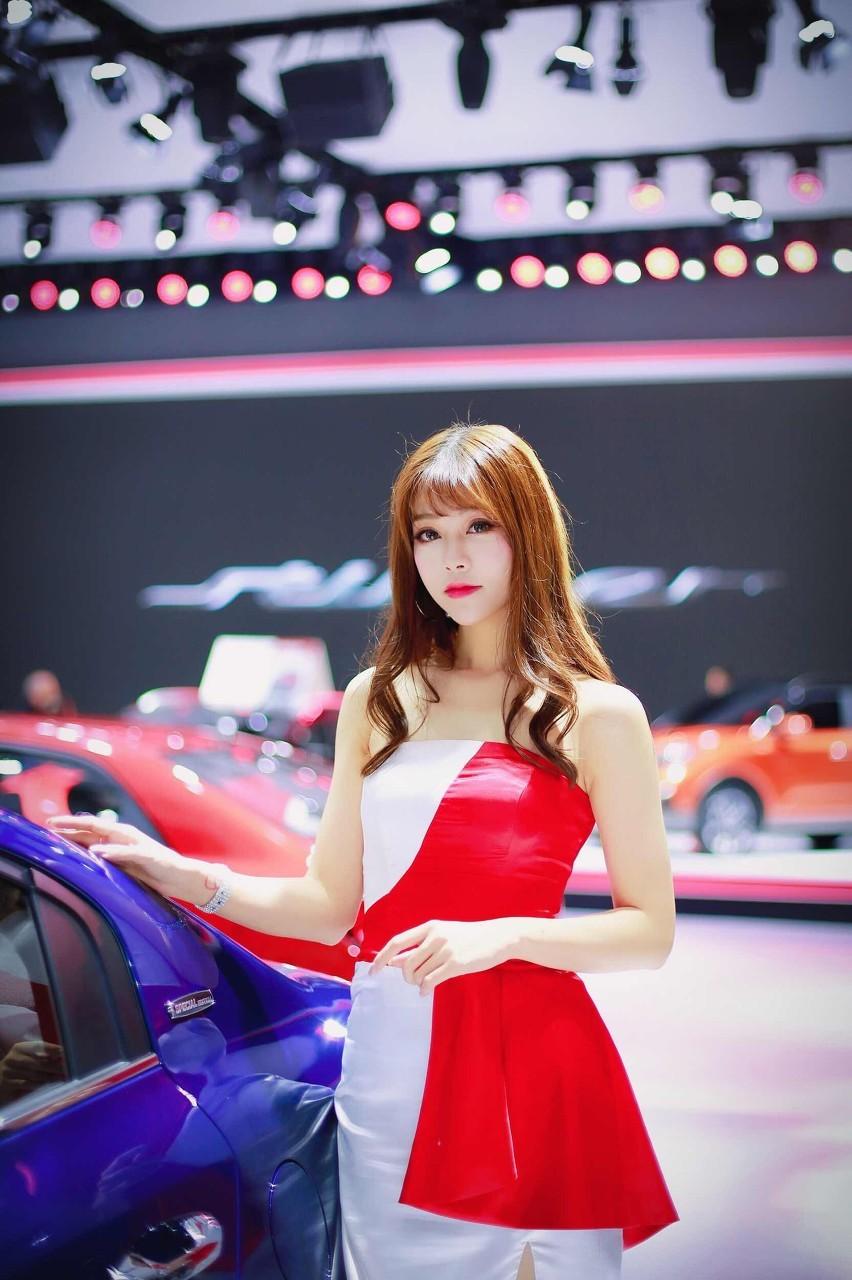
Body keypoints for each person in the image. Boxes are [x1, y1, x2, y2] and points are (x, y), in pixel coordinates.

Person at [47, 422, 680, 1279]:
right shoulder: (377, 699)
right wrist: (184, 875)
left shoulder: (596, 714)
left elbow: (648, 932)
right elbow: (328, 906)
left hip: (524, 1073)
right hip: (388, 1069)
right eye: (428, 533)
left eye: (479, 527)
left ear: (528, 533)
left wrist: (501, 936)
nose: (453, 557)